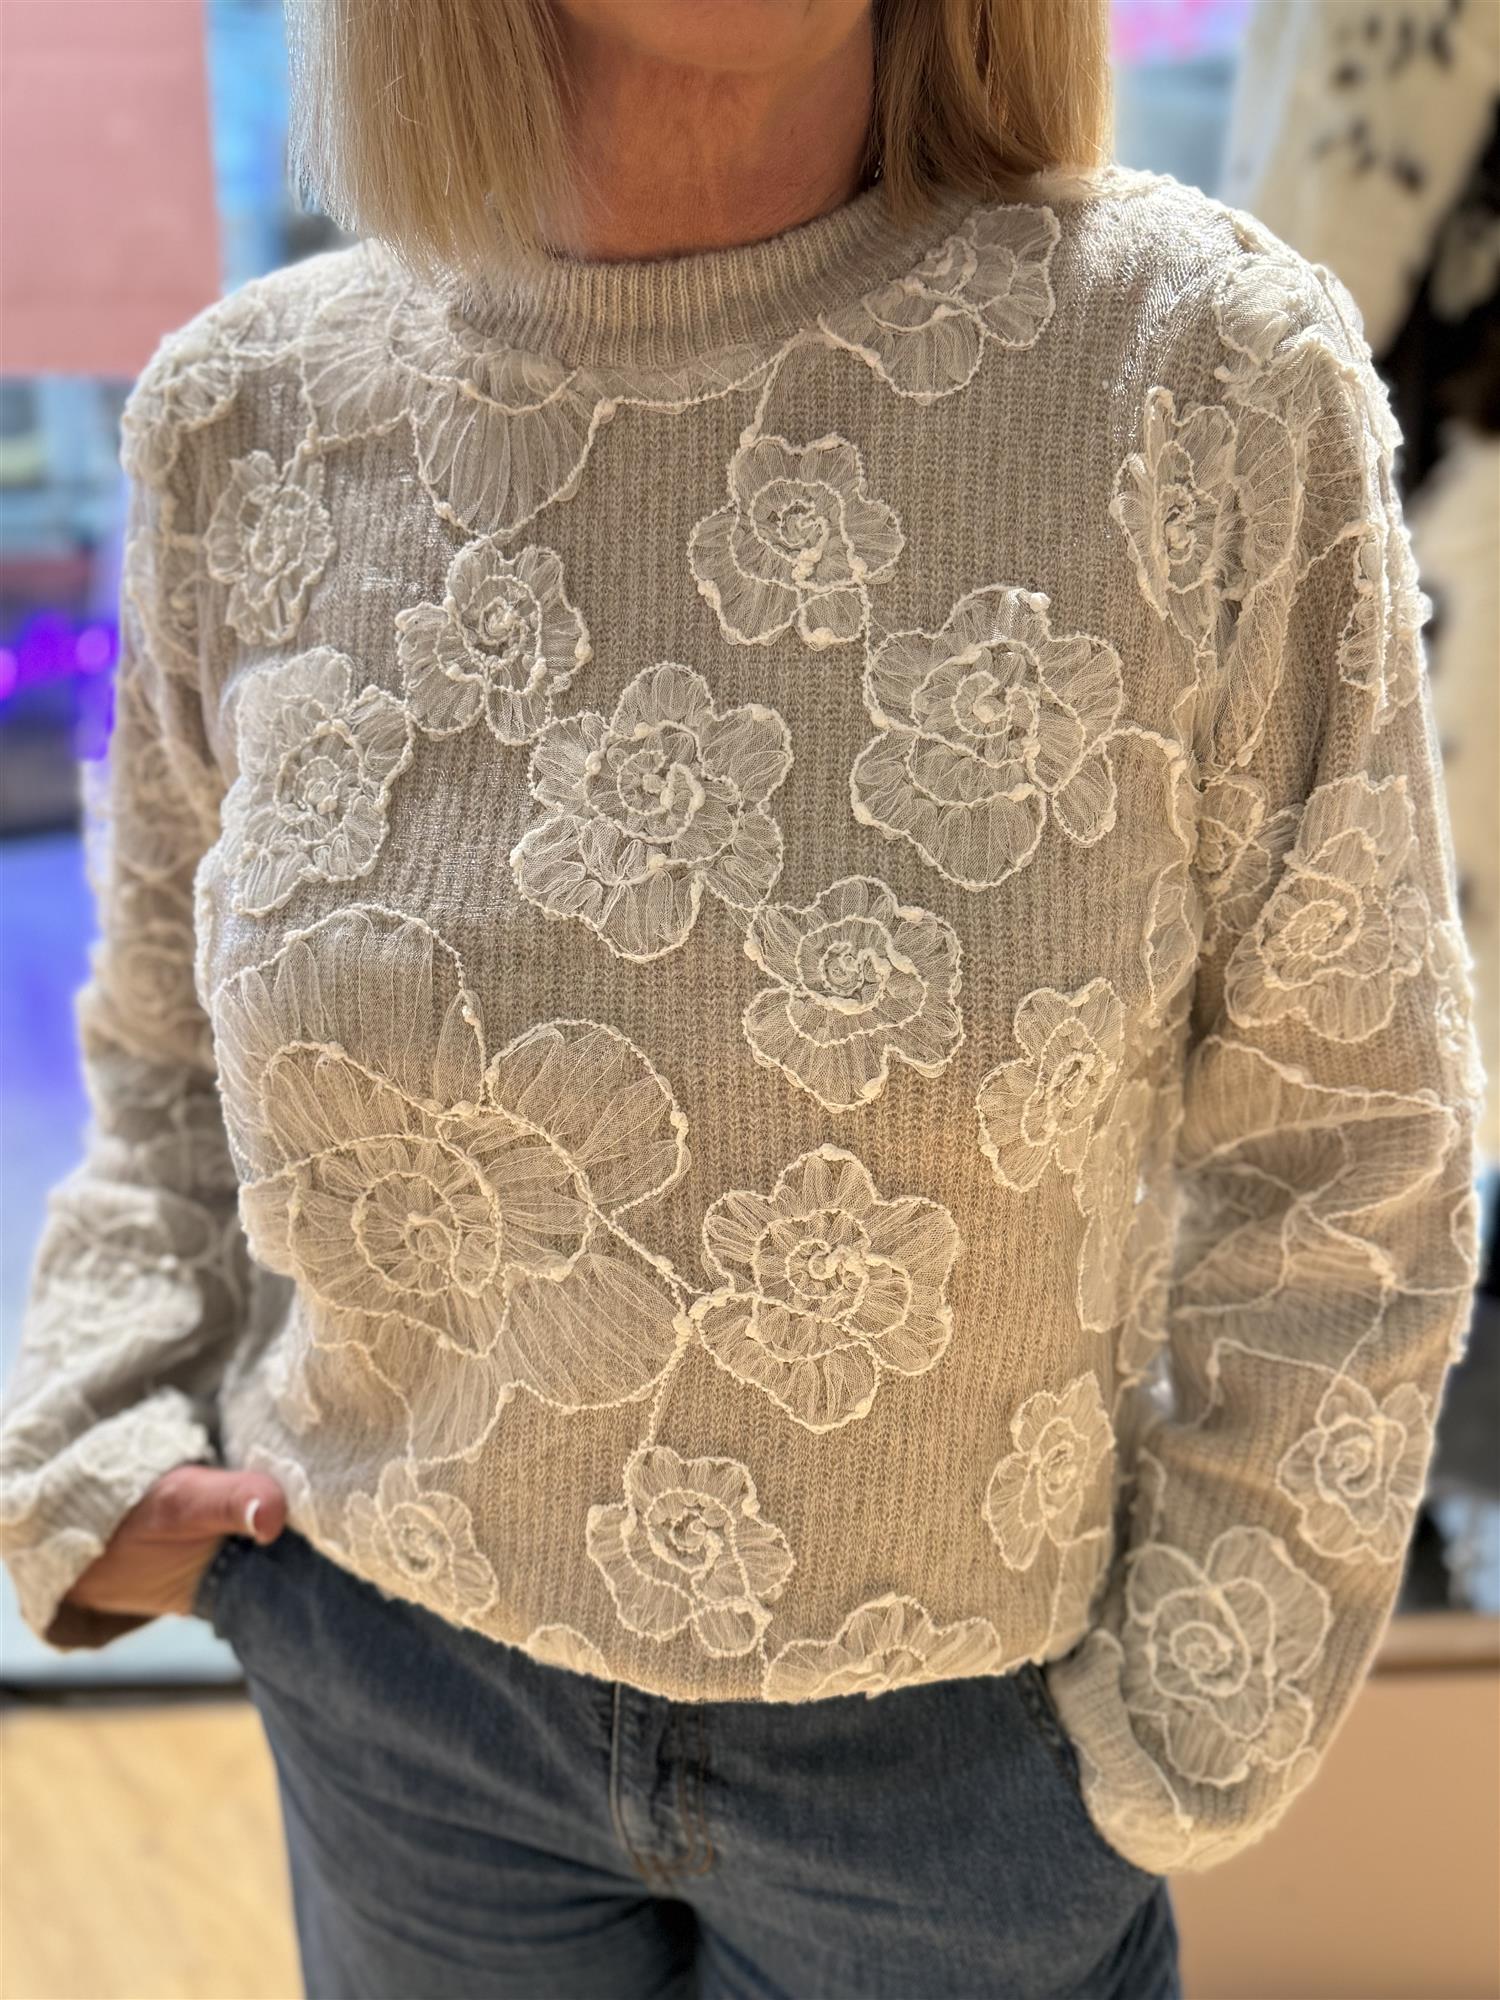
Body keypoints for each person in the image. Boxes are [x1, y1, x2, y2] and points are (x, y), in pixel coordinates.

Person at [0, 2, 1485, 1995]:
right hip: (392, 1686)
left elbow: (1354, 1137)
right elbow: (167, 1056)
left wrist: (1185, 1724)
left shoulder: (1198, 377)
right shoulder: (245, 424)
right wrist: (90, 1432)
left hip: (966, 1768)